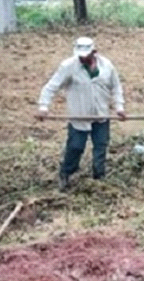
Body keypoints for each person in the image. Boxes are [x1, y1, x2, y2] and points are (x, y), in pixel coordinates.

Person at [37, 36, 126, 191]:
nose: (83, 59)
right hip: (79, 116)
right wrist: (43, 106)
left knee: (100, 147)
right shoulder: (68, 66)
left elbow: (116, 88)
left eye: (86, 56)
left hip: (101, 115)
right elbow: (51, 87)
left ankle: (99, 177)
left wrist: (119, 107)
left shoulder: (107, 66)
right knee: (76, 147)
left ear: (94, 53)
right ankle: (66, 173)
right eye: (81, 56)